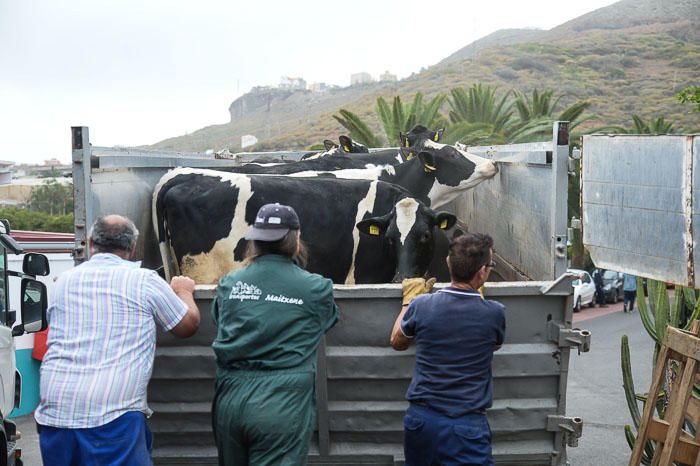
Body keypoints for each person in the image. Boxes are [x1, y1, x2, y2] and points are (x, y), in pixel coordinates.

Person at [34, 214, 200, 466]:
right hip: (113, 415)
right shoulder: (144, 281)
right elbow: (187, 325)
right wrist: (184, 291)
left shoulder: (63, 281)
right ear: (133, 248)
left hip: (55, 412)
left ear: (90, 243)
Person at [211, 203, 339, 466]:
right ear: (296, 238)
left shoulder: (229, 284)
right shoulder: (316, 288)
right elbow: (326, 320)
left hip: (229, 401)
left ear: (254, 241)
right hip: (281, 403)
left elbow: (221, 320)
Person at [390, 233, 506, 466]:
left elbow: (397, 341)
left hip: (421, 423)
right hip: (465, 427)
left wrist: (408, 303)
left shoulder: (421, 306)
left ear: (448, 263)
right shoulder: (494, 313)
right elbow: (494, 345)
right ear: (482, 272)